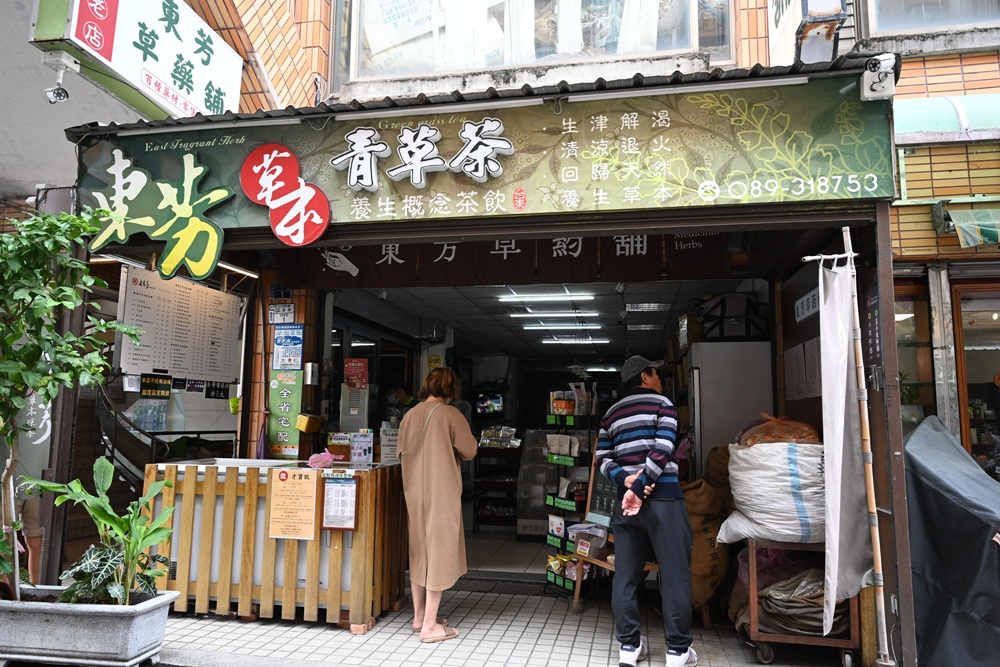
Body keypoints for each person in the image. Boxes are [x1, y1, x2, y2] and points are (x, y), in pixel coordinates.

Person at [595, 355, 696, 667]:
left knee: (624, 576)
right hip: (663, 500)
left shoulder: (610, 413)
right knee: (675, 575)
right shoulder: (664, 404)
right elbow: (663, 449)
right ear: (645, 375)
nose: (661, 379)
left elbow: (601, 458)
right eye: (657, 373)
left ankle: (628, 647)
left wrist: (627, 482)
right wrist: (640, 487)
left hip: (626, 505)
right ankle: (677, 652)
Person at [397, 367, 477, 643]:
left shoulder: (409, 415)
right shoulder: (450, 414)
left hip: (414, 492)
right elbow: (469, 450)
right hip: (440, 492)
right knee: (440, 552)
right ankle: (431, 626)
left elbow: (400, 452)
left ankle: (419, 617)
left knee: (419, 551)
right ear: (451, 389)